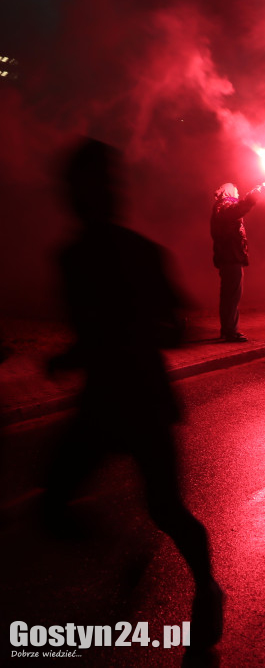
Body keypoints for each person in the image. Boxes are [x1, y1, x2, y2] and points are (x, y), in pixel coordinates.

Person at [45, 138, 223, 650]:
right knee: (56, 504)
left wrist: (125, 338)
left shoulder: (131, 253)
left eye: (96, 184)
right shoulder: (74, 257)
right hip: (109, 400)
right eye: (80, 185)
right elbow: (99, 333)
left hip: (139, 399)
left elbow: (177, 328)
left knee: (166, 509)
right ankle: (125, 554)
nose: (86, 195)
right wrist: (75, 354)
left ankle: (206, 589)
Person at [210, 180, 265, 342]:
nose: (238, 193)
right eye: (235, 190)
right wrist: (255, 194)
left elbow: (238, 210)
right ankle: (229, 332)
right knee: (231, 296)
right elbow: (237, 210)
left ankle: (229, 330)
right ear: (227, 192)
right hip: (230, 257)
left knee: (232, 296)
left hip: (231, 257)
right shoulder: (224, 205)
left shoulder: (223, 206)